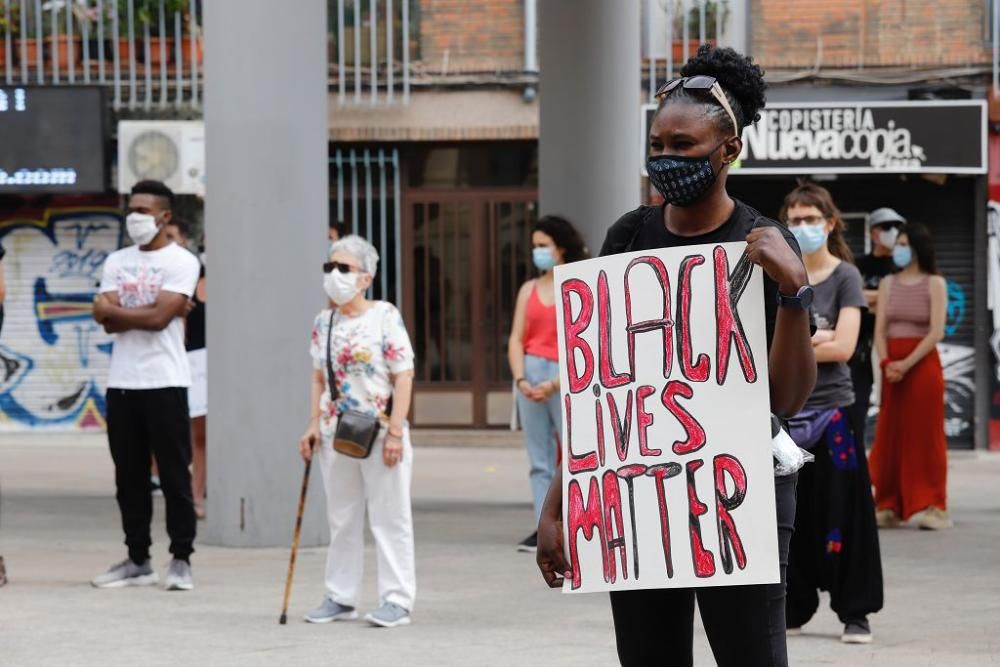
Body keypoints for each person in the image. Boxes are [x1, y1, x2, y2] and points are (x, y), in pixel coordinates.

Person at [535, 46, 816, 667]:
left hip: (741, 496)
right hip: (640, 497)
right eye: (657, 145)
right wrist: (558, 504)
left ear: (729, 148)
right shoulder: (628, 237)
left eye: (683, 145)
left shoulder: (765, 243)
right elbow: (601, 396)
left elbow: (788, 399)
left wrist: (795, 291)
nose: (665, 159)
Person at [780, 183, 884, 645]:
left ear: (830, 223)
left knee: (847, 512)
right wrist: (814, 342)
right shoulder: (781, 277)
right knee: (790, 515)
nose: (802, 227)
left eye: (810, 219)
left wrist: (803, 345)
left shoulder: (845, 277)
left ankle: (855, 612)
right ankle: (792, 606)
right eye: (794, 219)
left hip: (834, 415)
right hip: (786, 415)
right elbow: (765, 351)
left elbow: (844, 346)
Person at [299, 235, 417, 628]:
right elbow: (318, 377)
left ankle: (397, 599)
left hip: (382, 432)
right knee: (342, 517)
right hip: (337, 432)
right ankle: (340, 595)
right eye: (329, 268)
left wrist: (397, 430)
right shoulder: (323, 321)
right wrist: (313, 424)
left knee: (390, 517)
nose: (334, 275)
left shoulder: (384, 315)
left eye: (344, 269)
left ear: (365, 278)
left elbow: (404, 376)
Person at [90, 180, 200, 591]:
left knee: (174, 475)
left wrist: (118, 309)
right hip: (122, 383)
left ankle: (181, 559)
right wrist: (144, 311)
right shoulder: (116, 260)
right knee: (128, 477)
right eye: (130, 209)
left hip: (166, 382)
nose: (134, 217)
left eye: (142, 210)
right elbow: (106, 321)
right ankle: (138, 559)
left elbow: (155, 320)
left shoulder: (182, 261)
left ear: (164, 216)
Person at [507, 216, 588, 553]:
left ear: (561, 248)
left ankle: (576, 522)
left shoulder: (575, 286)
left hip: (565, 376)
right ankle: (544, 526)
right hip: (531, 373)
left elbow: (583, 340)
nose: (537, 252)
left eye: (543, 245)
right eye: (535, 246)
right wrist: (522, 379)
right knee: (538, 459)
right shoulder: (528, 289)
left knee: (573, 453)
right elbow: (515, 340)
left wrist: (556, 383)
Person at [869, 223, 950, 530]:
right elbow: (880, 330)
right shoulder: (888, 283)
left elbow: (936, 331)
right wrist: (888, 361)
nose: (897, 248)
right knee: (890, 435)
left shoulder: (935, 284)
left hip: (922, 367)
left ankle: (935, 505)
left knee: (926, 437)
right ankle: (889, 503)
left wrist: (905, 364)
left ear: (916, 247)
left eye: (903, 243)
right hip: (891, 366)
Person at [848, 208, 906, 444]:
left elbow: (903, 300)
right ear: (873, 233)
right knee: (856, 406)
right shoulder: (857, 265)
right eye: (886, 227)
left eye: (896, 227)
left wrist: (869, 297)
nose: (892, 232)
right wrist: (883, 297)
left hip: (893, 345)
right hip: (859, 346)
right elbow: (851, 298)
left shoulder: (902, 267)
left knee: (895, 406)